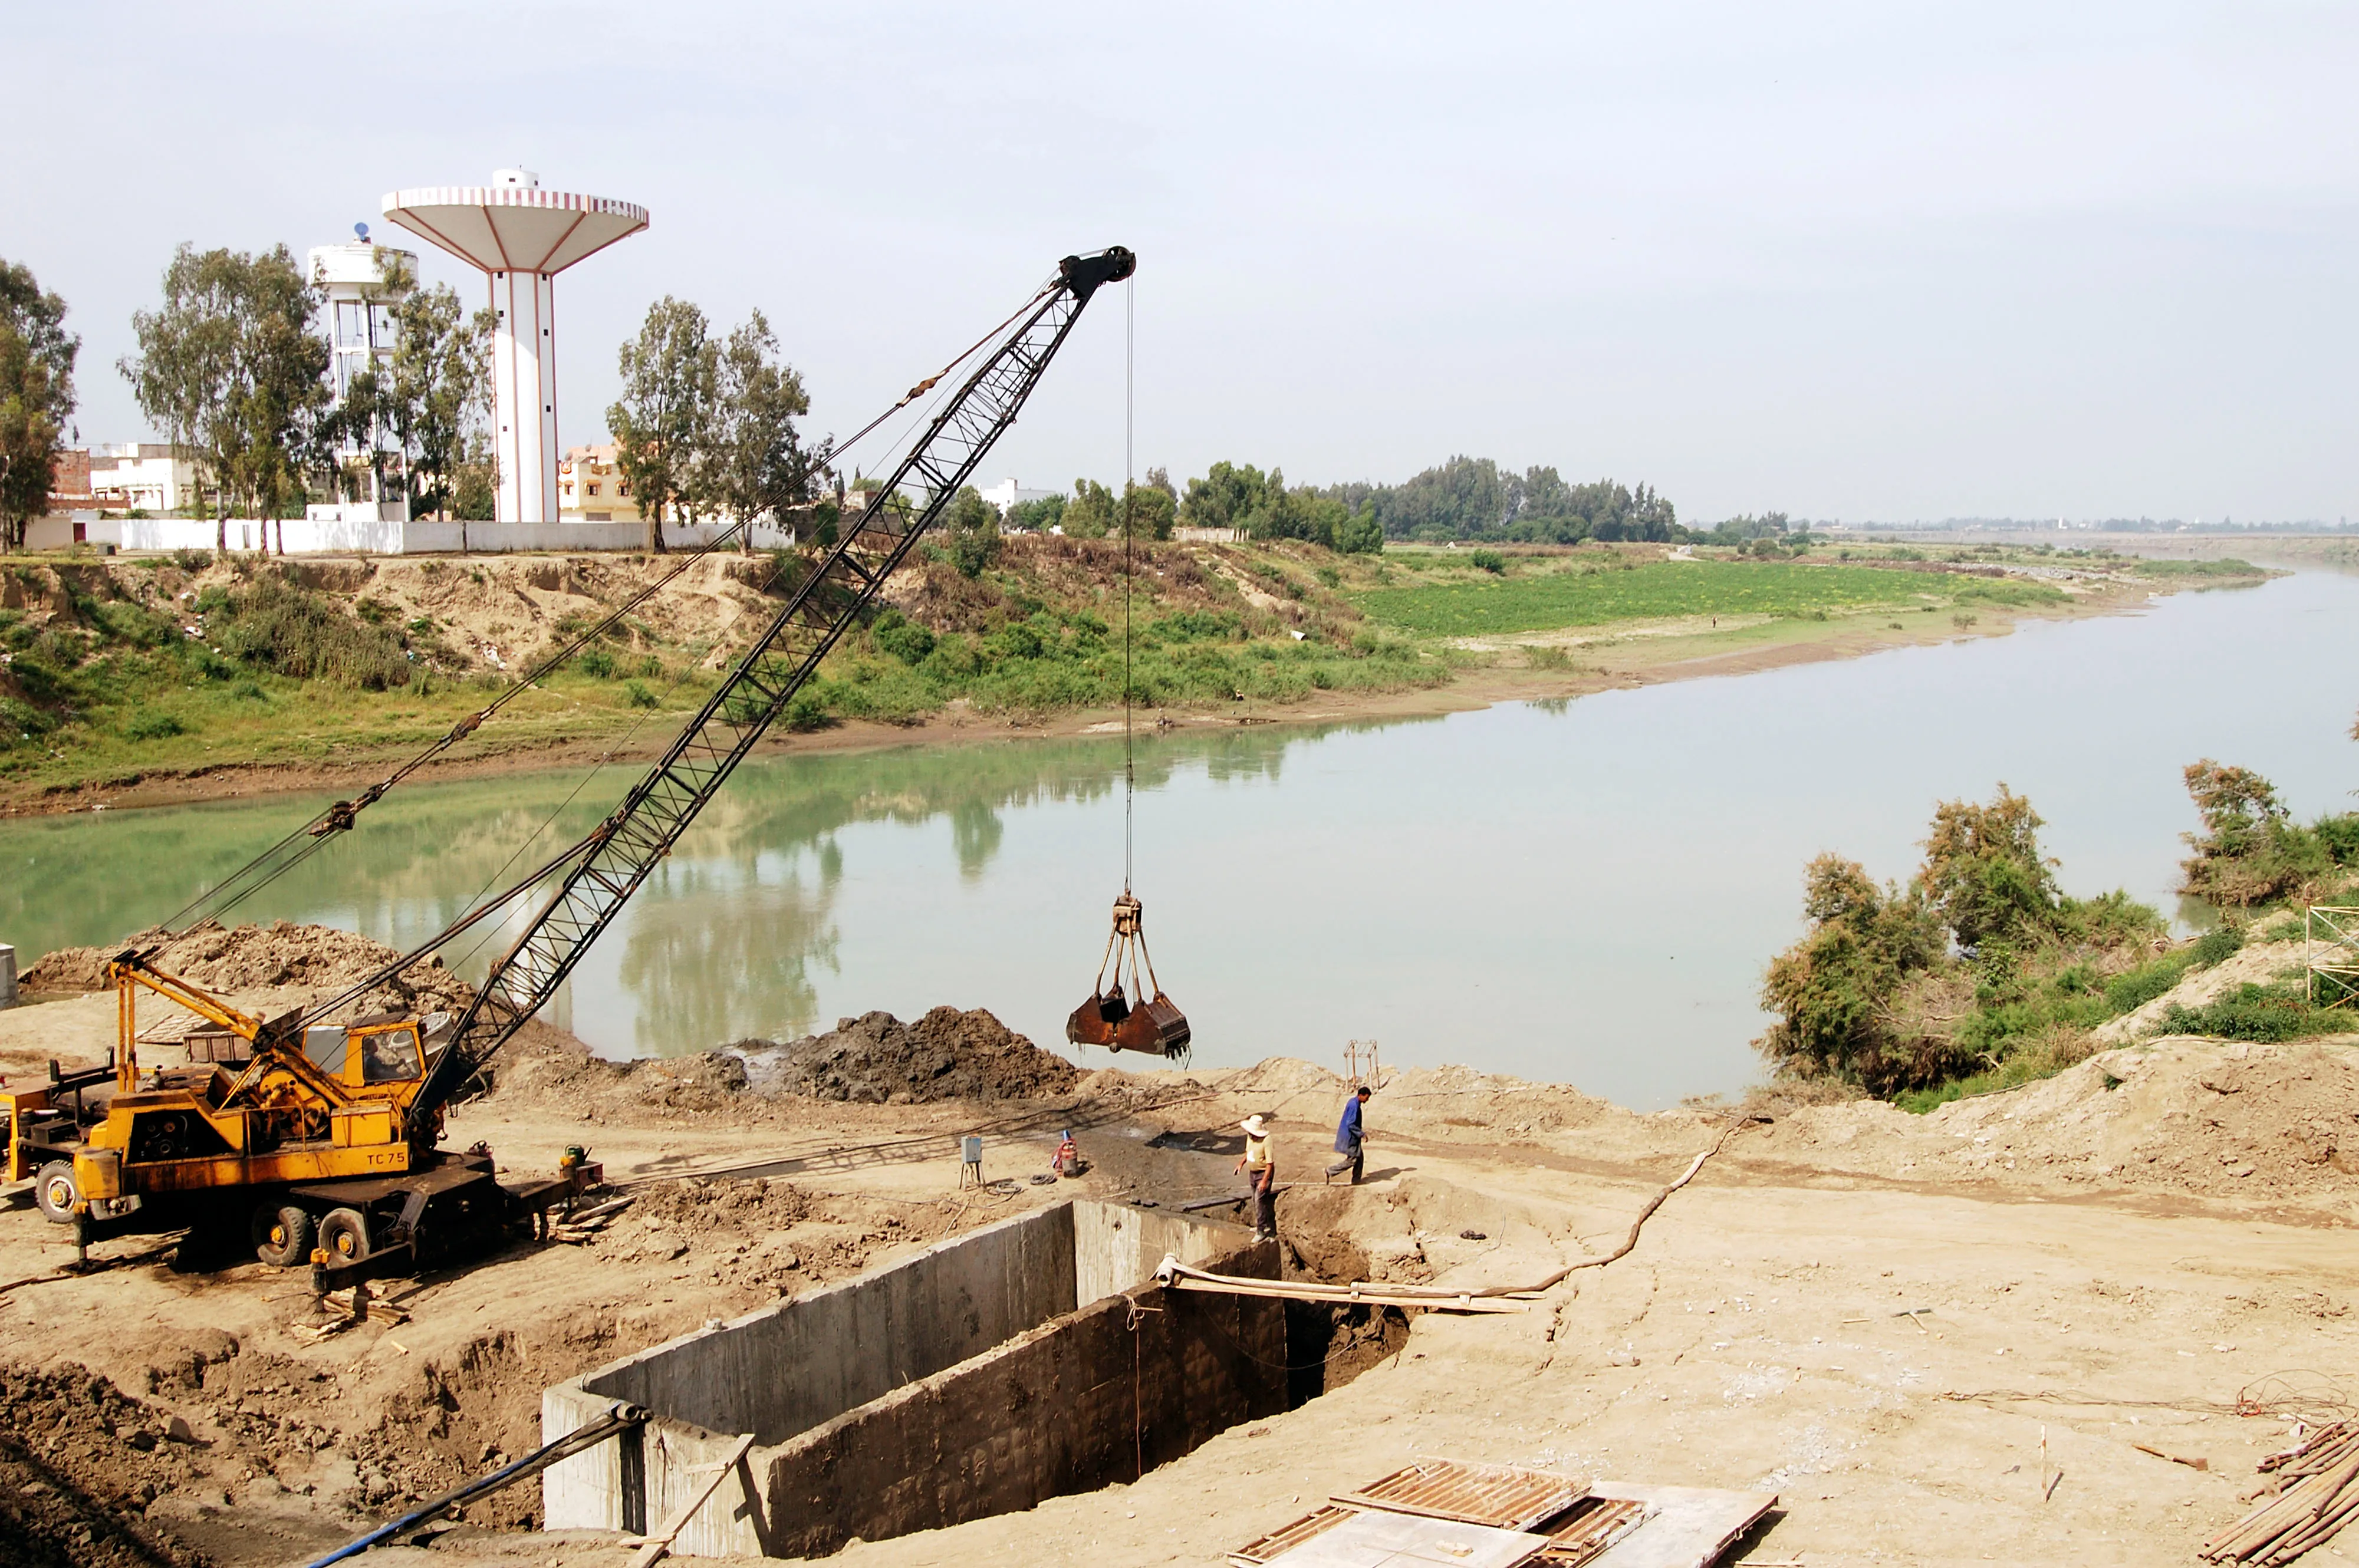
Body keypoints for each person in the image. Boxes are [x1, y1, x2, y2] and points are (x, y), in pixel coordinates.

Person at [1234, 1114, 1276, 1240]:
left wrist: (1264, 1181)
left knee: (1260, 1200)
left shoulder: (1267, 1140)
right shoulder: (1250, 1138)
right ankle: (1262, 1224)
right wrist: (1240, 1164)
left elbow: (1270, 1164)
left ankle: (1261, 1231)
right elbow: (1249, 1153)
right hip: (1253, 1173)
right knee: (1255, 1200)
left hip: (1263, 1174)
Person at [1326, 1085, 1371, 1184]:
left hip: (1351, 1136)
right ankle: (1330, 1171)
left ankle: (1356, 1181)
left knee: (1359, 1158)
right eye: (1366, 1098)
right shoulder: (1354, 1106)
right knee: (1353, 1159)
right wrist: (1362, 1134)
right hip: (1350, 1137)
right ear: (1360, 1095)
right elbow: (1350, 1124)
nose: (1367, 1100)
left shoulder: (1354, 1103)